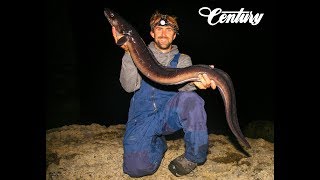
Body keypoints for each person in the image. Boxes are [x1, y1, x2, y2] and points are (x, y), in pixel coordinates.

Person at [111, 11, 216, 177]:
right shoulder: (139, 53)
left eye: (168, 29)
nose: (163, 33)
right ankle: (158, 143)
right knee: (136, 168)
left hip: (167, 116)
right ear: (152, 33)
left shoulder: (183, 60)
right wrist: (128, 53)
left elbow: (185, 94)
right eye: (159, 29)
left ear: (174, 35)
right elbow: (128, 86)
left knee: (192, 100)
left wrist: (196, 83)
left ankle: (194, 156)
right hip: (142, 118)